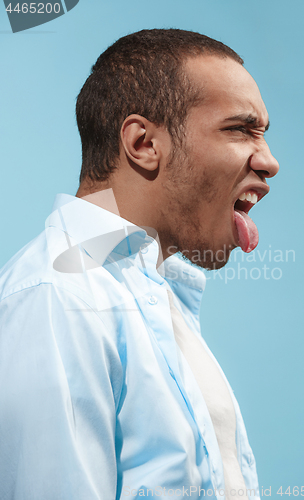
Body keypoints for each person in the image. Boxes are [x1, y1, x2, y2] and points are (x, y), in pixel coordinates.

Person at [0, 29, 279, 500]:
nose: (269, 162)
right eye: (239, 129)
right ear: (144, 143)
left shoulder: (150, 295)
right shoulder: (59, 296)